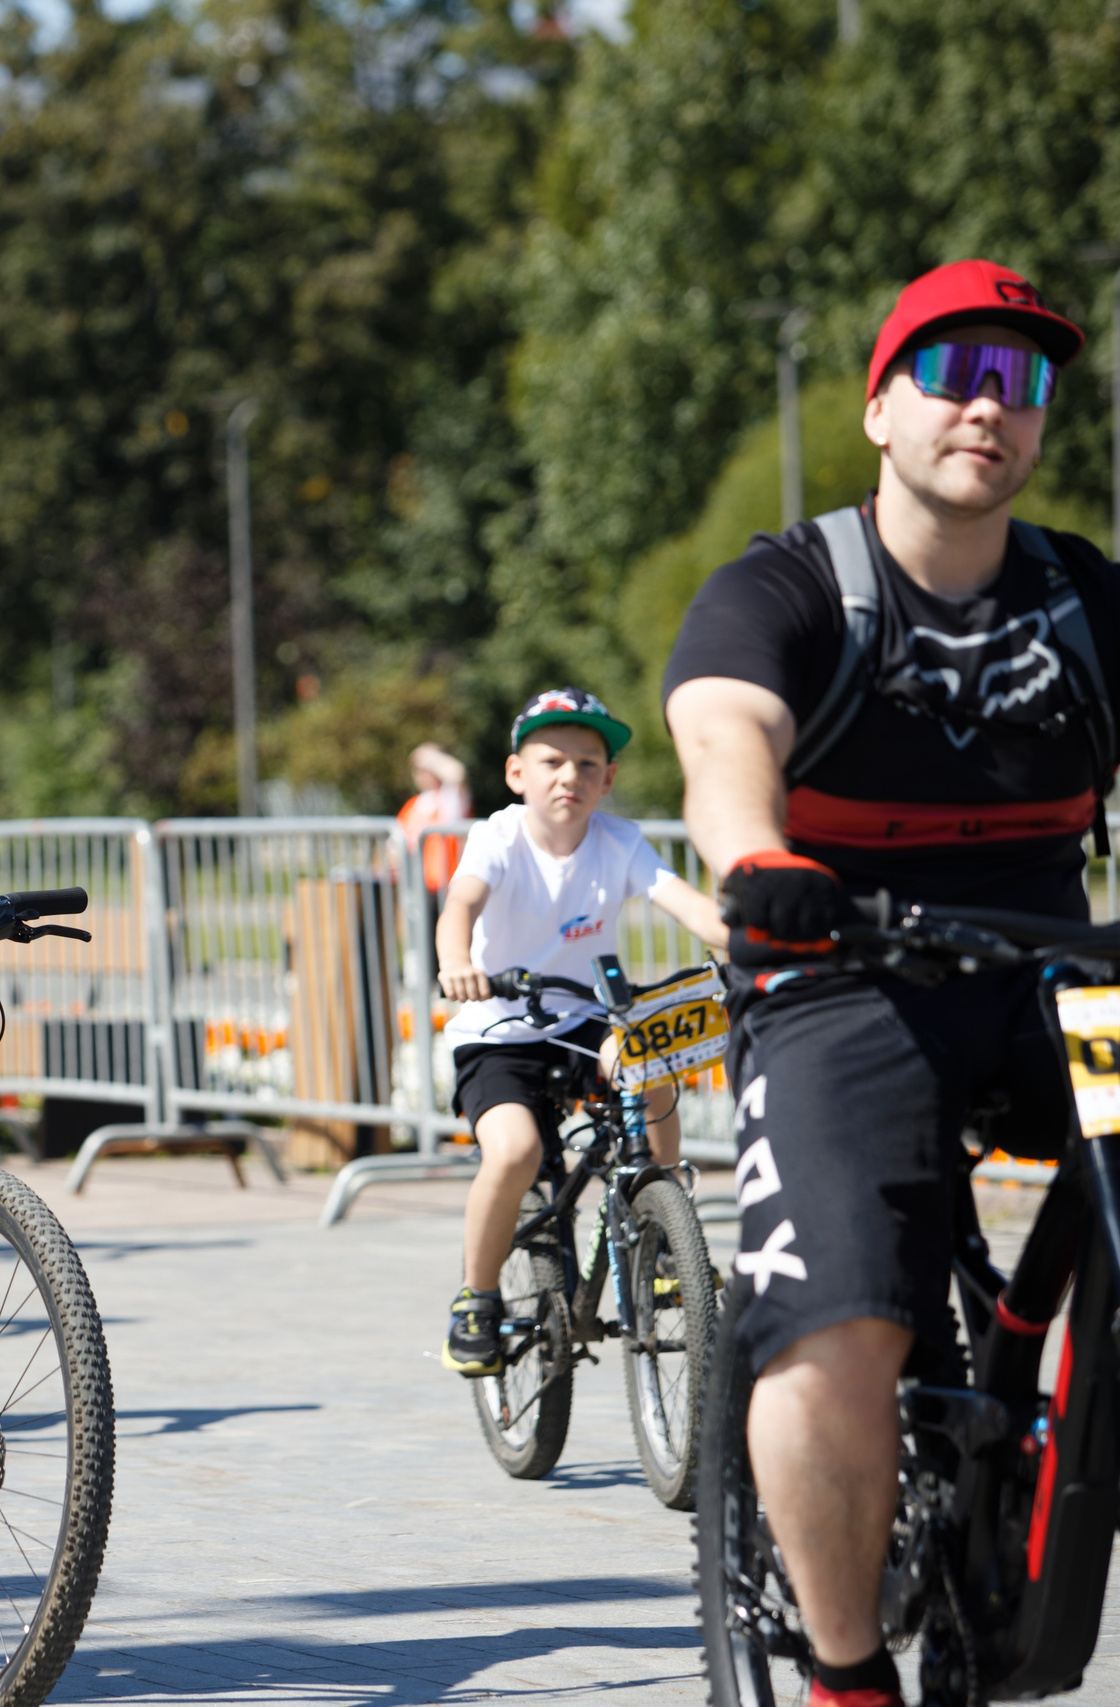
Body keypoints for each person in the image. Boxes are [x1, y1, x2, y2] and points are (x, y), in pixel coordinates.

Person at [665, 260, 1114, 1707]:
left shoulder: (1084, 599)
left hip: (1059, 980)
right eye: (957, 372)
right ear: (879, 407)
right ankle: (850, 1670)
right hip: (838, 973)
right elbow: (724, 722)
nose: (993, 404)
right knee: (844, 1314)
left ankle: (1043, 1365)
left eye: (1025, 379)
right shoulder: (792, 586)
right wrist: (757, 856)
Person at [436, 689, 724, 1376]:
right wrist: (455, 962)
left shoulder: (619, 841)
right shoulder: (498, 836)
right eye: (552, 760)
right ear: (517, 774)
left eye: (589, 763)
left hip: (584, 1016)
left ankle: (658, 1232)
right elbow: (460, 903)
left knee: (650, 1066)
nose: (570, 775)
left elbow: (688, 904)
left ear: (609, 778)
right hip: (499, 1021)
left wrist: (753, 946)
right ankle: (476, 1298)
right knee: (514, 1149)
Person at [396, 740, 471, 899]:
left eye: (428, 768)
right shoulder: (413, 805)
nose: (423, 774)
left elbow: (457, 774)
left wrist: (430, 757)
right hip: (416, 888)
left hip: (447, 889)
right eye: (419, 769)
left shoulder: (450, 800)